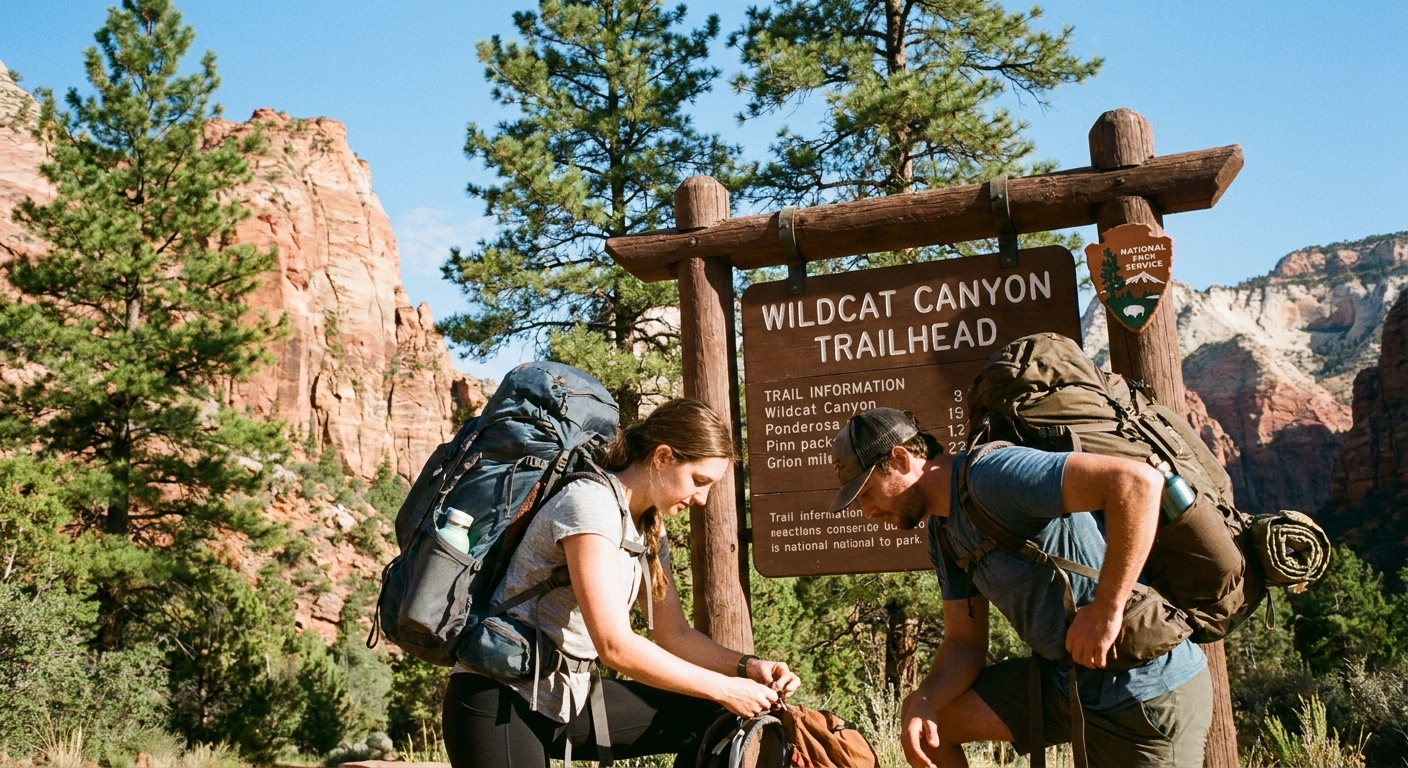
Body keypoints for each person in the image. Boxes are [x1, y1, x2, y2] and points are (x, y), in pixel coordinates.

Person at [827, 408, 1211, 768]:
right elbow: (964, 642)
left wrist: (1107, 608)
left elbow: (1137, 483)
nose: (867, 511)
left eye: (867, 493)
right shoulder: (942, 531)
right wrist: (924, 700)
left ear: (900, 459)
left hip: (1145, 688)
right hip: (1070, 682)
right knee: (930, 724)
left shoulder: (992, 476)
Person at [443, 397, 801, 767]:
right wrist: (724, 687)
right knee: (718, 699)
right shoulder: (590, 505)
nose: (702, 498)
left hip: (567, 698)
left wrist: (746, 667)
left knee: (712, 717)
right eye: (698, 481)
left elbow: (674, 635)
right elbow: (615, 646)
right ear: (663, 457)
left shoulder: (646, 529)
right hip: (499, 699)